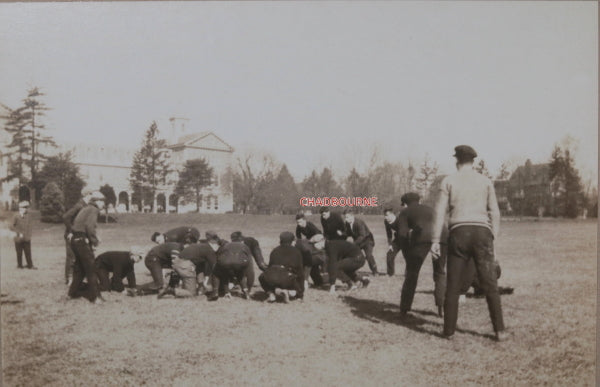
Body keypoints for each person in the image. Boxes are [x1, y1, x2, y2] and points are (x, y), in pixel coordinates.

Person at [431, 145, 505, 341]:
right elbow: (495, 212)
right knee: (490, 283)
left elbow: (440, 212)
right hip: (483, 233)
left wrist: (435, 240)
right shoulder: (485, 181)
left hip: (458, 232)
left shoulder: (448, 181)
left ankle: (448, 331)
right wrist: (493, 237)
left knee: (453, 284)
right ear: (473, 162)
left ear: (457, 161)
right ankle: (500, 330)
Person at [396, 192, 448, 318]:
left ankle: (404, 308)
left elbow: (402, 235)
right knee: (440, 271)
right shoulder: (430, 209)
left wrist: (408, 256)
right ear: (419, 200)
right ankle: (441, 307)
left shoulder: (405, 212)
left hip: (422, 238)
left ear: (405, 203)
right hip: (442, 236)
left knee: (412, 273)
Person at [68, 191, 105, 304]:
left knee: (80, 269)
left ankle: (73, 293)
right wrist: (95, 241)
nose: (103, 204)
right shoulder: (94, 209)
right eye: (102, 201)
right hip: (81, 240)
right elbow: (89, 227)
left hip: (75, 240)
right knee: (91, 268)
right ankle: (95, 297)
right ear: (96, 201)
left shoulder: (86, 208)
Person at [208, 231, 264, 301]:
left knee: (218, 272)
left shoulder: (226, 244)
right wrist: (249, 287)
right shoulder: (245, 245)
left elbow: (219, 255)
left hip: (225, 262)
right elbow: (250, 271)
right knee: (240, 273)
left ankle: (216, 292)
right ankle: (246, 292)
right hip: (241, 263)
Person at [259, 232, 305, 303]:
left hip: (272, 277)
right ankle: (288, 292)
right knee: (294, 286)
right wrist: (300, 293)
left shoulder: (275, 250)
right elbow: (300, 271)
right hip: (287, 279)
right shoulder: (296, 252)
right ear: (292, 241)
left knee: (262, 277)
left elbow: (270, 267)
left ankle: (271, 294)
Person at [62, 190, 92, 284]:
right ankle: (69, 279)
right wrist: (71, 231)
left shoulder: (87, 206)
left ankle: (81, 278)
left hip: (81, 235)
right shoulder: (79, 206)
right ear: (88, 195)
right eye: (92, 195)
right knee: (72, 257)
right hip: (72, 235)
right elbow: (66, 217)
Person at [343, 209, 379, 275]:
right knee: (353, 255)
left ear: (352, 216)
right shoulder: (347, 223)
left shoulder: (359, 222)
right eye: (345, 217)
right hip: (358, 241)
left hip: (367, 240)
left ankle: (375, 271)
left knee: (368, 255)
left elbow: (362, 235)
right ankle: (351, 270)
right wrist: (342, 234)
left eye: (347, 217)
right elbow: (348, 233)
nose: (346, 219)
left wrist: (354, 244)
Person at [9, 201, 36, 270]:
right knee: (19, 252)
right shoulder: (16, 216)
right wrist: (18, 233)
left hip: (26, 238)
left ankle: (30, 265)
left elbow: (29, 226)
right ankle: (19, 265)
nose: (26, 209)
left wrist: (29, 235)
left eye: (26, 208)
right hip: (18, 238)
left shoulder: (28, 216)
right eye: (24, 208)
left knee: (28, 252)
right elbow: (11, 226)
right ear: (20, 208)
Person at [383, 207, 402, 276]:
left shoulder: (400, 219)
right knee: (389, 254)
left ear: (392, 214)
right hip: (398, 239)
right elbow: (389, 233)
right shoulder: (386, 221)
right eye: (384, 215)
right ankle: (390, 273)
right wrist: (390, 244)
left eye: (387, 215)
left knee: (409, 256)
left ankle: (409, 273)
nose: (385, 217)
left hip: (407, 238)